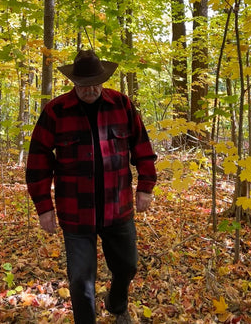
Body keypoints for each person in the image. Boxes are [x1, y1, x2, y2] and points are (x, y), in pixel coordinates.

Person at [26, 49, 157, 324]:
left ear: (103, 78)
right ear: (74, 82)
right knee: (80, 283)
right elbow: (38, 159)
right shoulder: (56, 111)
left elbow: (142, 147)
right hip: (76, 213)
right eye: (84, 84)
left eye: (96, 82)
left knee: (127, 267)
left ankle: (117, 304)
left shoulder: (121, 104)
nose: (91, 89)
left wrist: (146, 185)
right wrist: (43, 208)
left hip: (118, 207)